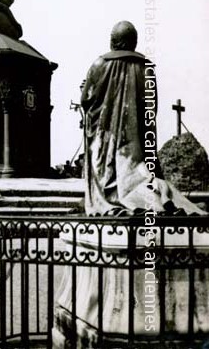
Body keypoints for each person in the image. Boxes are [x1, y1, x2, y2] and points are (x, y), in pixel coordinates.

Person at [81, 21, 204, 216]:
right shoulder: (146, 67)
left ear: (113, 40)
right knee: (141, 173)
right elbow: (150, 109)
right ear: (134, 41)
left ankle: (114, 203)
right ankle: (158, 199)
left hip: (104, 139)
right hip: (135, 140)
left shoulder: (99, 64)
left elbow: (86, 99)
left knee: (104, 174)